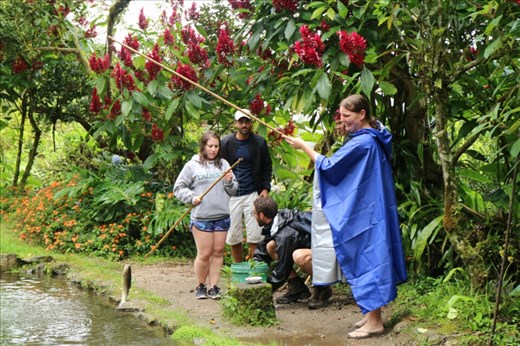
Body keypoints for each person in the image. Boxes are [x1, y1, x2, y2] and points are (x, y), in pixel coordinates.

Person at [285, 94, 407, 339]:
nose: (343, 121)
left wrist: (304, 146)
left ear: (362, 114)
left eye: (347, 116)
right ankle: (372, 315)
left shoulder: (364, 143)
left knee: (369, 258)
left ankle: (375, 322)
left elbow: (330, 167)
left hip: (368, 213)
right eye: (341, 116)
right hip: (373, 209)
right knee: (371, 256)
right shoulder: (372, 138)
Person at [173, 130, 238, 300]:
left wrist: (229, 181)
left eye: (216, 146)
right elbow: (178, 188)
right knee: (204, 253)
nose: (213, 149)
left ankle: (214, 287)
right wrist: (192, 198)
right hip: (202, 217)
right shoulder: (192, 165)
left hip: (222, 215)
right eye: (210, 146)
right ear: (203, 146)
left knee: (218, 252)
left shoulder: (224, 164)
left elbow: (233, 190)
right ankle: (200, 286)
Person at [252, 196, 332, 309]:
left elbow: (282, 270)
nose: (253, 216)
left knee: (299, 256)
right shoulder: (279, 219)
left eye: (253, 213)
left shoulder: (286, 234)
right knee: (271, 246)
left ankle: (323, 288)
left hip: (332, 251)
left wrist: (262, 290)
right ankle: (297, 288)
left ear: (261, 215)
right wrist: (255, 265)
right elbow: (263, 248)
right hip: (316, 248)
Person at [221, 109, 273, 262]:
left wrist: (265, 188)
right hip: (231, 195)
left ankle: (255, 267)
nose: (244, 125)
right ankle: (238, 267)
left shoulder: (259, 142)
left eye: (247, 121)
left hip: (252, 193)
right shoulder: (226, 143)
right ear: (236, 123)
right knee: (233, 234)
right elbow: (220, 166)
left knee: (255, 234)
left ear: (251, 122)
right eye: (241, 121)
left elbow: (266, 166)